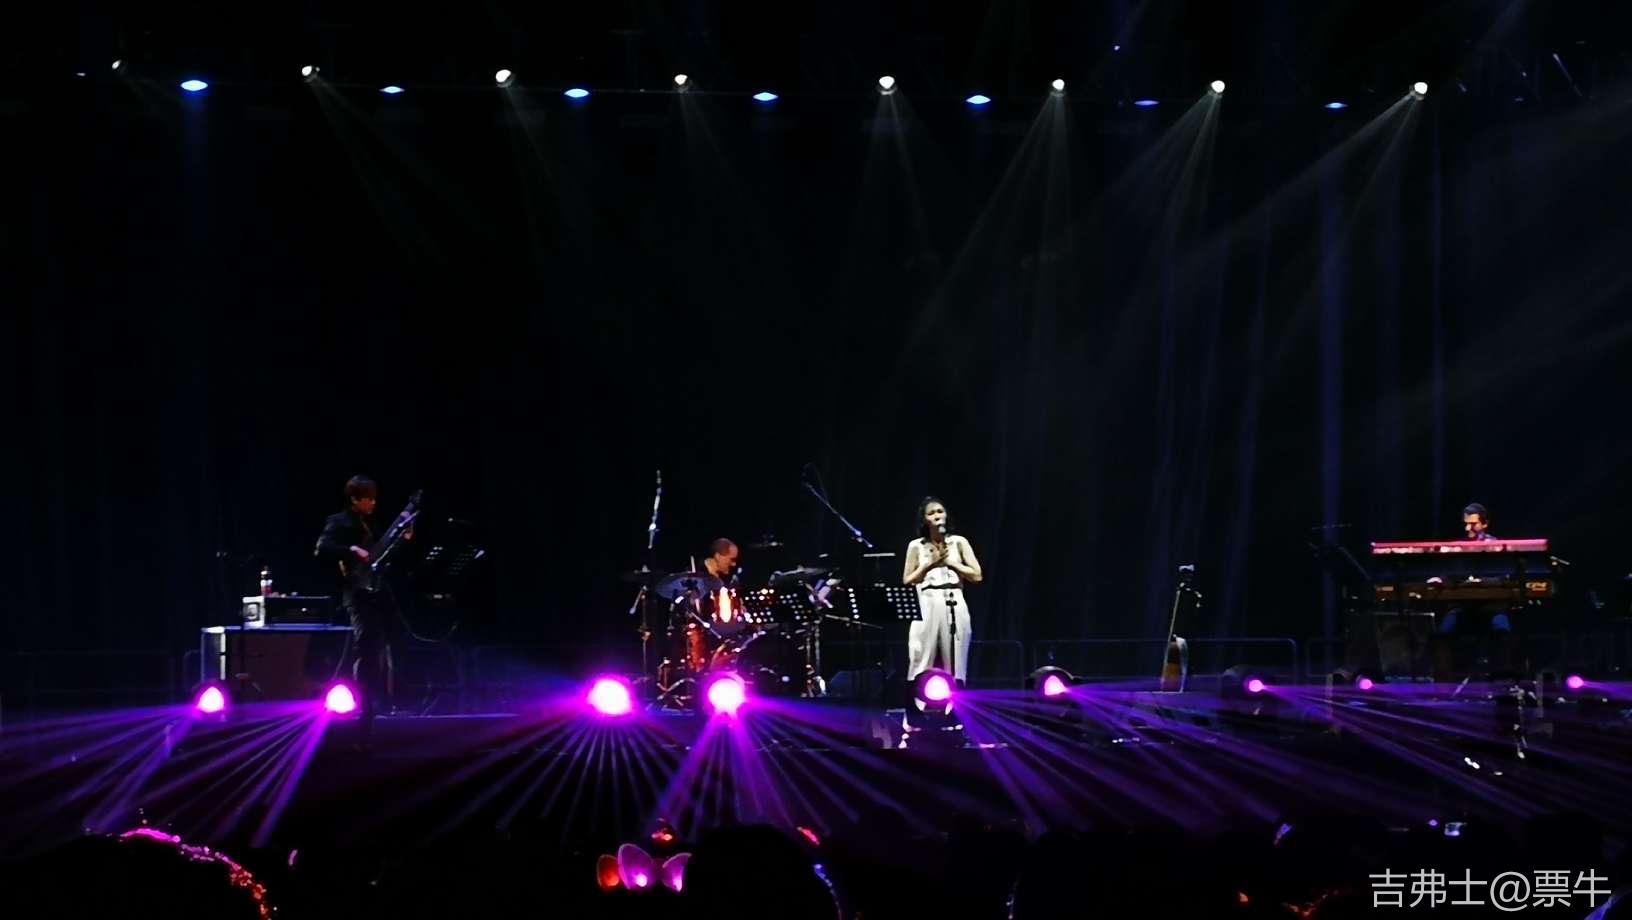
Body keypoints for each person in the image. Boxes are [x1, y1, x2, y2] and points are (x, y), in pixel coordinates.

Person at [315, 475, 410, 724]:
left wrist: (403, 540)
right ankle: (365, 705)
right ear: (354, 499)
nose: (373, 503)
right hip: (356, 592)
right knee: (366, 647)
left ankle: (390, 700)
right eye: (368, 499)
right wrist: (351, 550)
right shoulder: (338, 521)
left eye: (374, 499)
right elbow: (322, 547)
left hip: (378, 591)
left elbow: (383, 556)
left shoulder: (372, 525)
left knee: (390, 643)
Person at [902, 496, 983, 687]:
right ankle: (917, 698)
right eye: (931, 513)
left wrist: (951, 563)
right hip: (927, 599)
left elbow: (977, 575)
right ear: (924, 520)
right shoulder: (916, 545)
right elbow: (907, 580)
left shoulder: (959, 542)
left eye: (940, 511)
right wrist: (929, 565)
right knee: (920, 654)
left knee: (956, 656)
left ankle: (956, 699)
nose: (937, 516)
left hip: (954, 597)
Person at [1435, 502, 1515, 679]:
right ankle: (1444, 682)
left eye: (1473, 524)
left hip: (1491, 606)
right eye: (1466, 524)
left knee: (1502, 630)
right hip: (1463, 606)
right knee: (1443, 633)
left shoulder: (1497, 546)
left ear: (1485, 524)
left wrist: (1479, 582)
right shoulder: (1458, 547)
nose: (1468, 528)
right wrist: (1441, 579)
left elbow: (1503, 578)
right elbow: (1449, 574)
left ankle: (1503, 678)